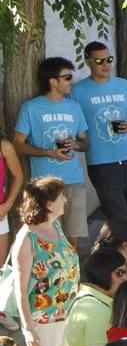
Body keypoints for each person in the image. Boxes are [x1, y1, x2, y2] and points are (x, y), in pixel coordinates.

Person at [14, 178, 81, 346]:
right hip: (43, 322)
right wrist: (28, 330)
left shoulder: (55, 226)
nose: (66, 200)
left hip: (64, 317)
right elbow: (21, 289)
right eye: (62, 196)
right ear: (48, 203)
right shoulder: (26, 239)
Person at [14, 57, 90, 246]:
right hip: (44, 185)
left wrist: (75, 145)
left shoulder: (74, 107)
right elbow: (17, 144)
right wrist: (48, 153)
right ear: (53, 81)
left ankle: (73, 273)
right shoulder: (30, 108)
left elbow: (85, 142)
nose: (72, 81)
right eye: (67, 77)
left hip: (73, 181)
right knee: (45, 236)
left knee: (73, 237)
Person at [68, 42, 127, 223]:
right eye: (99, 61)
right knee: (118, 217)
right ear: (88, 62)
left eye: (108, 59)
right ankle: (121, 249)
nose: (106, 65)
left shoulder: (124, 85)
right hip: (102, 162)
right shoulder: (78, 91)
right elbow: (71, 122)